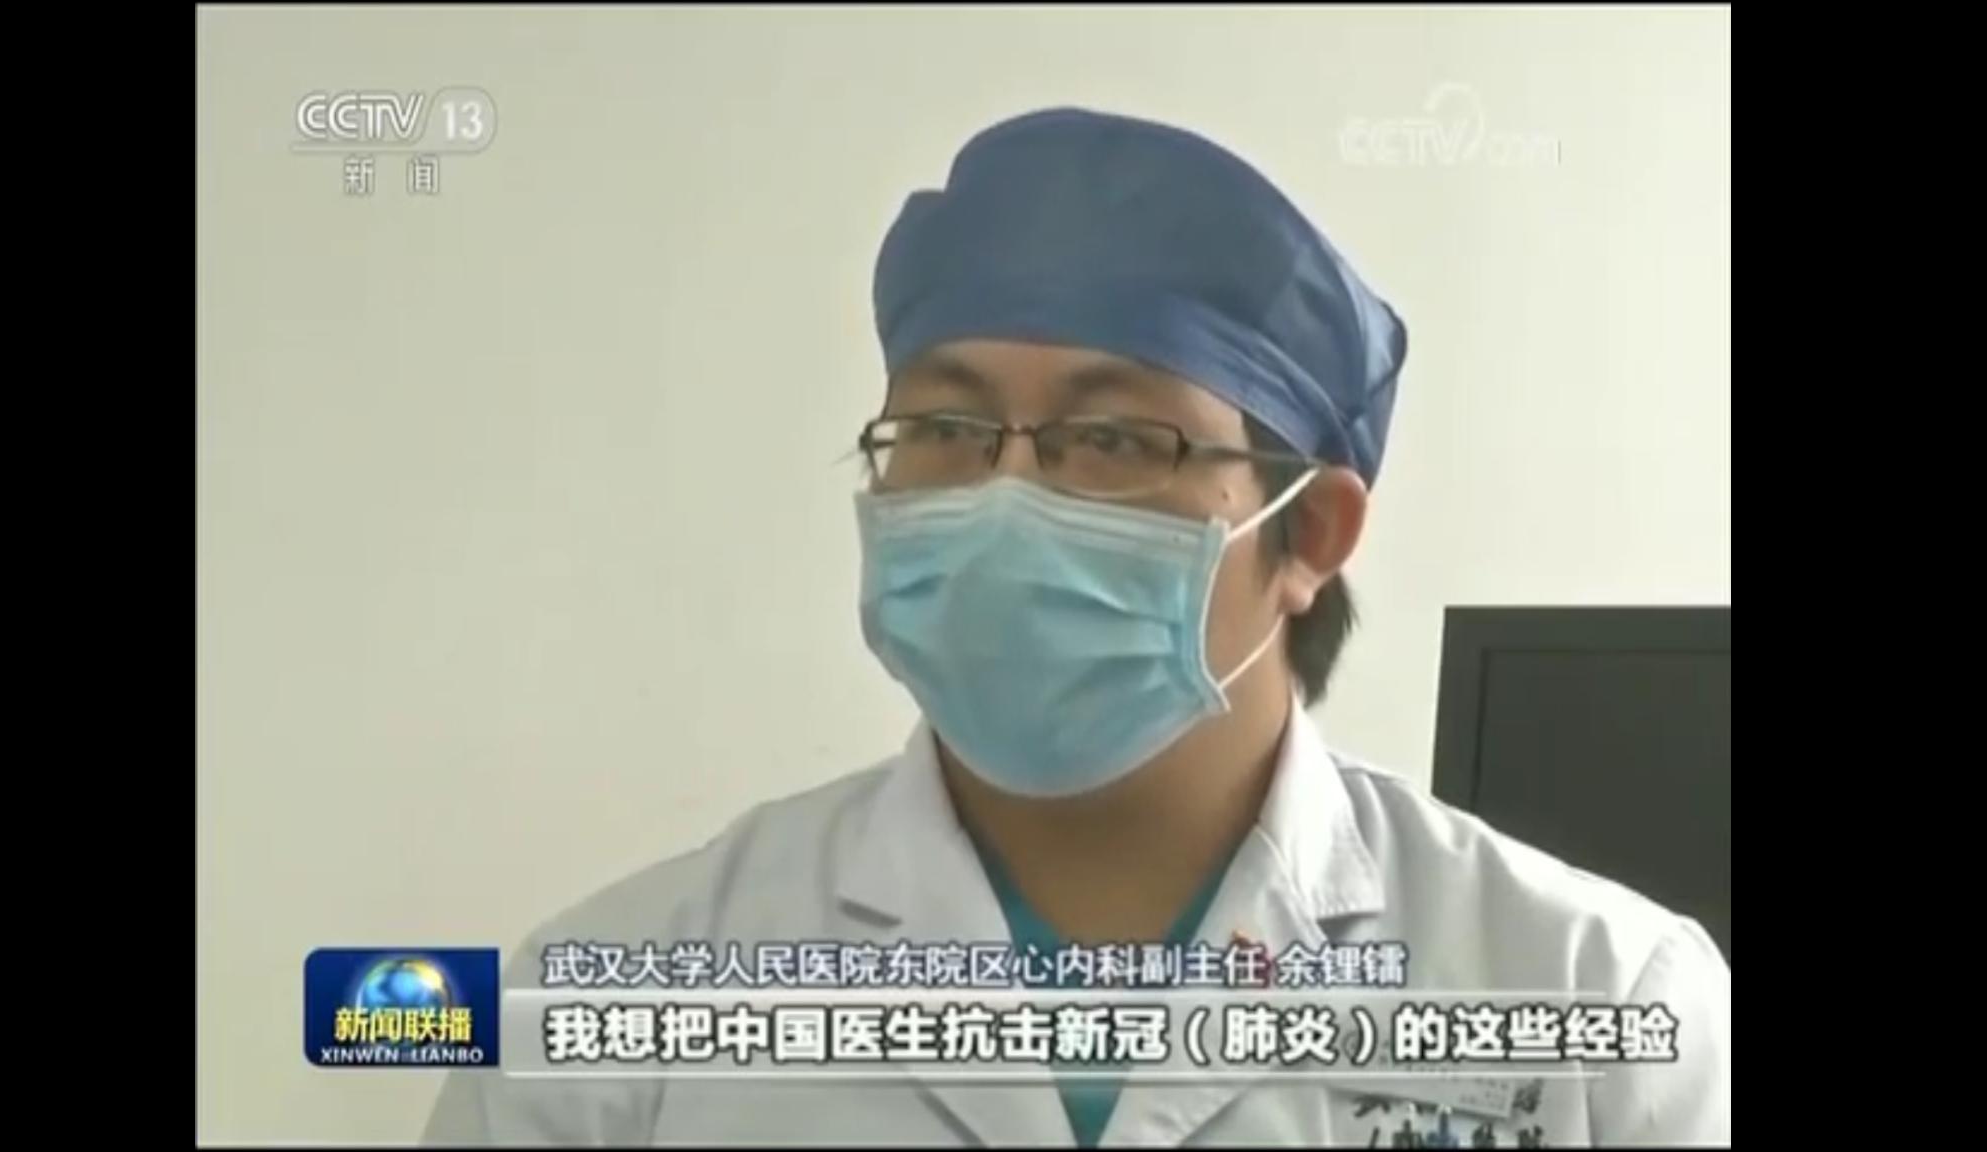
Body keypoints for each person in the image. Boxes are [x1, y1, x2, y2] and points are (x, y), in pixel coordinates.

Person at [424, 107, 1730, 1146]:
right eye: (943, 428)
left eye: (1111, 439)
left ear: (1313, 535)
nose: (1005, 497)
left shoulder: (1600, 997)